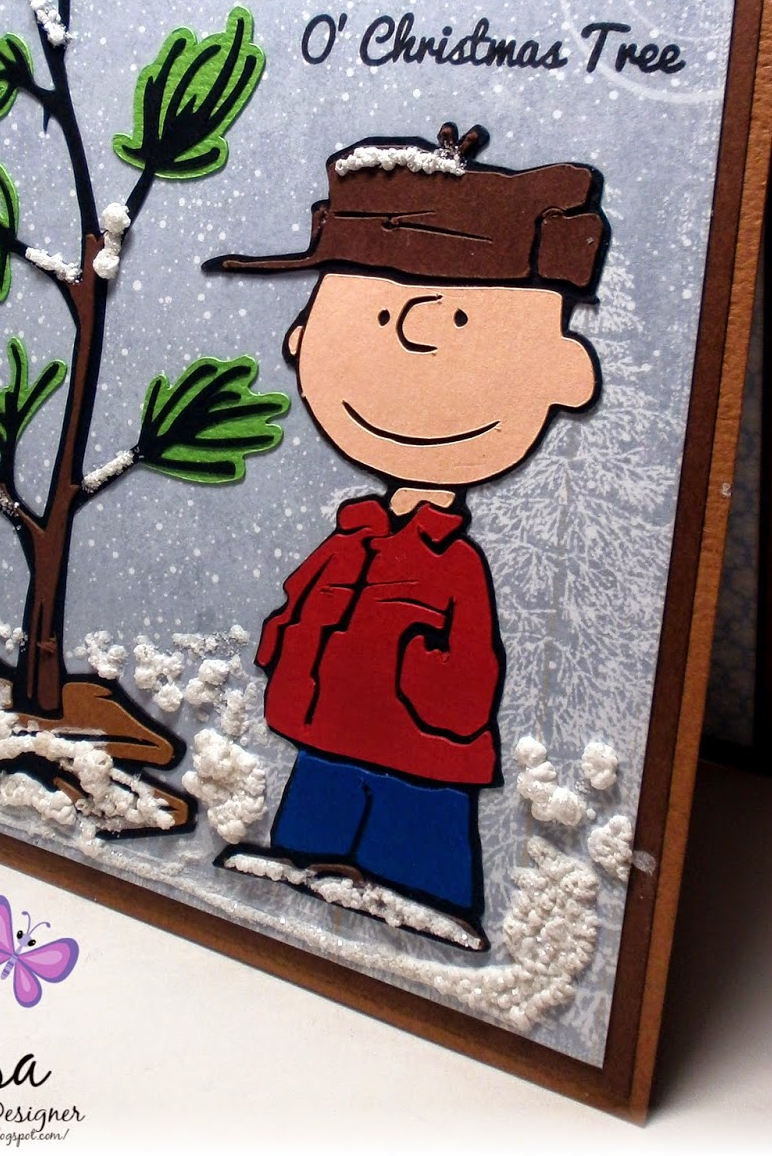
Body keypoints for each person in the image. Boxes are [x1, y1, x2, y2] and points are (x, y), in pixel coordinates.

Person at [204, 123, 608, 948]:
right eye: (379, 313)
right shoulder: (352, 534)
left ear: (565, 373)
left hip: (420, 752)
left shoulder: (451, 562)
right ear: (302, 339)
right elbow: (303, 598)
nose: (416, 334)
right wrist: (287, 643)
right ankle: (305, 862)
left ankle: (428, 899)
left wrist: (429, 693)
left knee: (415, 839)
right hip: (322, 726)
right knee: (316, 815)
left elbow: (471, 664)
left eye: (459, 318)